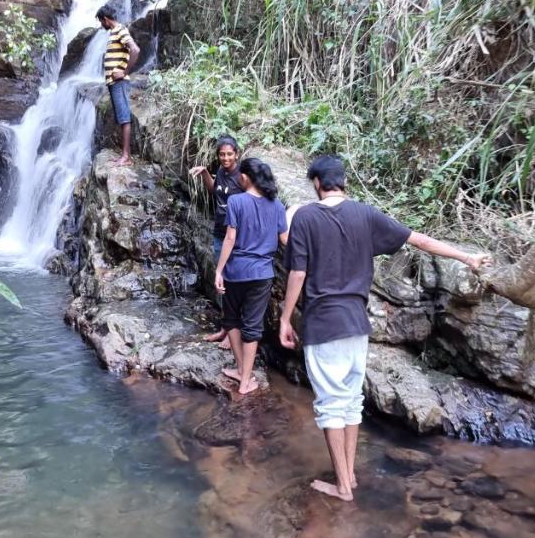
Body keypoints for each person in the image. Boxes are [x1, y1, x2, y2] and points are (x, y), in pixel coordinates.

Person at [278, 155, 490, 502]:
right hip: (358, 324)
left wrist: (286, 319)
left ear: (317, 183)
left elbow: (298, 273)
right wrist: (467, 258)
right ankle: (349, 478)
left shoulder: (305, 217)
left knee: (331, 405)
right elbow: (417, 239)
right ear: (342, 182)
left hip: (324, 322)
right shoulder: (365, 213)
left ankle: (343, 486)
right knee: (349, 402)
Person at [214, 158, 287, 395]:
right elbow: (285, 239)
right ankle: (245, 379)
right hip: (263, 274)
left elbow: (230, 238)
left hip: (236, 271)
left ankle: (241, 371)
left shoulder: (236, 201)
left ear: (245, 177)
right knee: (253, 326)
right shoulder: (276, 205)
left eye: (240, 176)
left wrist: (219, 270)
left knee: (232, 320)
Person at [188, 136, 242, 349]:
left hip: (235, 238)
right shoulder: (220, 172)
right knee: (221, 284)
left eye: (229, 154)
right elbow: (214, 192)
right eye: (222, 154)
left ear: (236, 154)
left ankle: (233, 334)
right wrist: (204, 175)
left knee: (233, 285)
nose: (225, 158)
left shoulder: (241, 178)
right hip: (219, 232)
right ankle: (225, 328)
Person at [97, 6, 140, 166]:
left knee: (124, 117)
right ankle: (124, 154)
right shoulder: (114, 32)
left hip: (119, 82)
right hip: (113, 82)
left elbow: (135, 50)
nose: (101, 25)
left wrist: (124, 71)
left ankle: (126, 156)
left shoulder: (120, 30)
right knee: (121, 117)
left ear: (106, 19)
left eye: (101, 22)